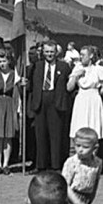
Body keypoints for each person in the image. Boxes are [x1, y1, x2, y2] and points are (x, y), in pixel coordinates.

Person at [27, 42, 71, 172]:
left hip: (56, 102)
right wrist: (24, 84)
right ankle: (40, 165)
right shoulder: (37, 66)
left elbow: (69, 86)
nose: (49, 54)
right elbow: (31, 85)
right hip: (40, 102)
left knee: (55, 135)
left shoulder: (64, 66)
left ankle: (56, 165)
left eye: (51, 52)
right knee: (40, 135)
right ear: (43, 52)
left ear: (56, 52)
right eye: (47, 52)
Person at [67, 45, 103, 144]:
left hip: (94, 100)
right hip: (81, 99)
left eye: (83, 55)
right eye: (80, 55)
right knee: (79, 127)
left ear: (91, 56)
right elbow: (69, 88)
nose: (81, 57)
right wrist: (76, 76)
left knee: (93, 127)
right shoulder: (77, 68)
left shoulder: (99, 69)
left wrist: (95, 93)